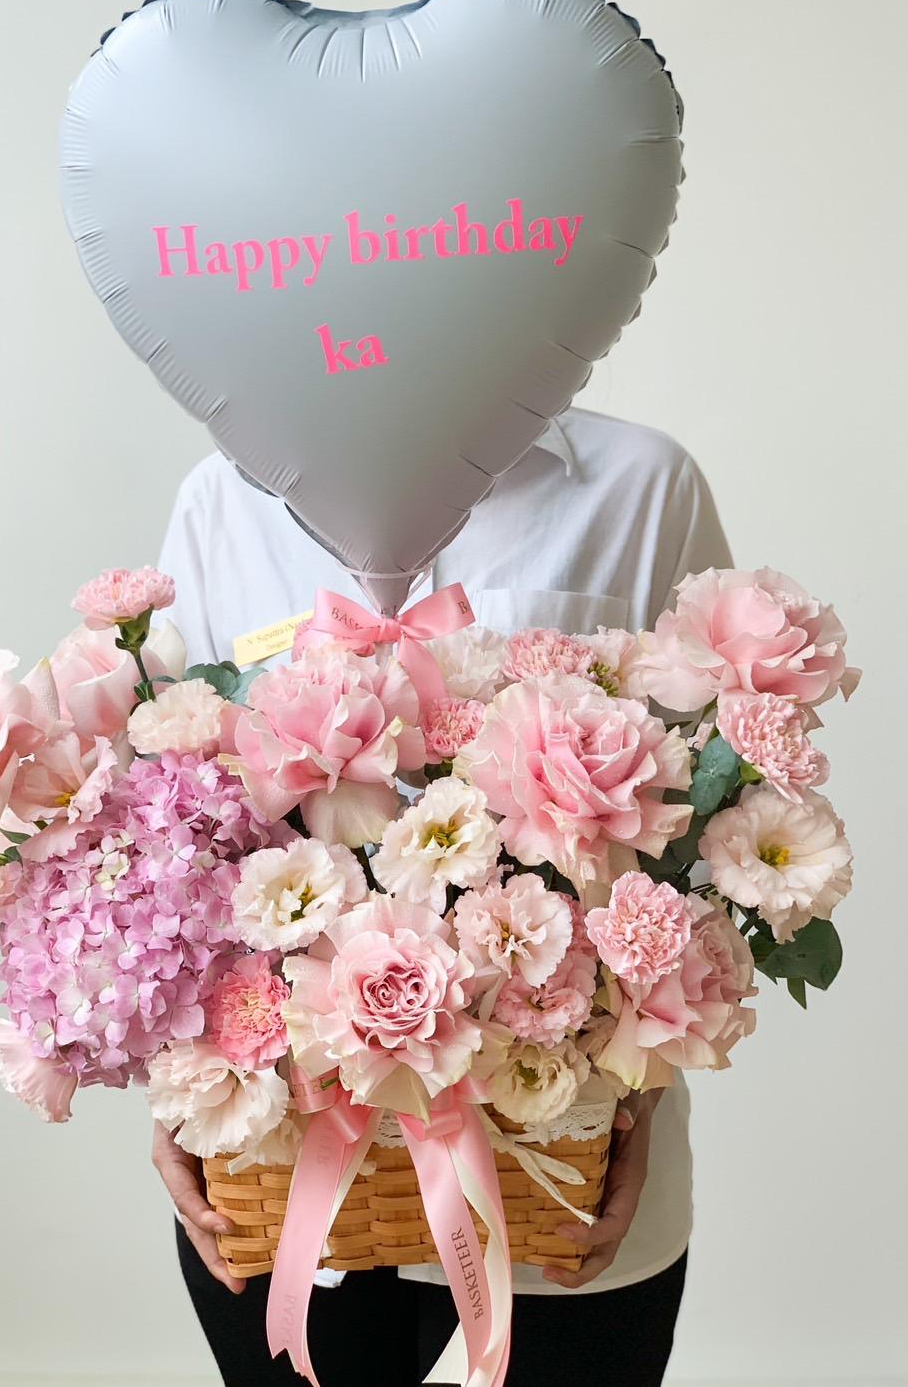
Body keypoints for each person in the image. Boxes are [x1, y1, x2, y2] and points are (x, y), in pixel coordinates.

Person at [152, 404, 732, 1387]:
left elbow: (709, 825)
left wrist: (642, 1092)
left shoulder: (639, 482)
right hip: (284, 1190)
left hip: (553, 1179)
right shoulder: (223, 497)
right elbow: (170, 831)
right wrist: (180, 1100)